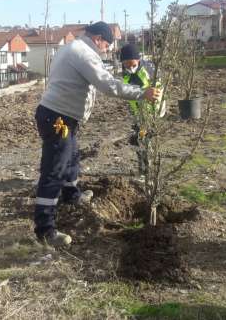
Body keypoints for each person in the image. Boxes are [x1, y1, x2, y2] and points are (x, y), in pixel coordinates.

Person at [34, 22, 161, 246]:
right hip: (58, 118)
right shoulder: (84, 54)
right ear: (98, 39)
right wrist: (142, 93)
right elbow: (108, 85)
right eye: (106, 45)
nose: (105, 50)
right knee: (54, 170)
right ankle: (45, 229)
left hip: (61, 117)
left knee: (71, 156)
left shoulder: (70, 48)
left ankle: (72, 195)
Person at [120, 44, 153, 175]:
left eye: (132, 64)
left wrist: (151, 114)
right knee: (137, 140)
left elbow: (157, 91)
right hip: (136, 113)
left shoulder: (148, 71)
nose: (129, 67)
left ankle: (148, 170)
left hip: (149, 114)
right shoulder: (126, 73)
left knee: (145, 140)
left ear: (138, 60)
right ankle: (143, 168)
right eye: (126, 64)